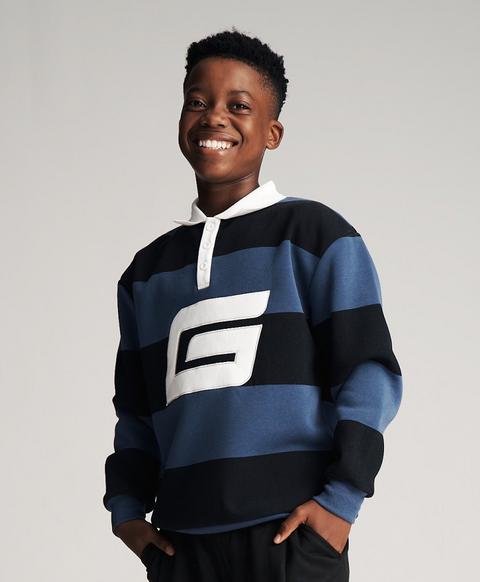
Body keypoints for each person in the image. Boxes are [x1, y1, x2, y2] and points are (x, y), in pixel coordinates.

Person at [102, 27, 403, 582]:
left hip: (289, 538)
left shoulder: (315, 236)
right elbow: (136, 410)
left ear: (272, 132)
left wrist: (341, 503)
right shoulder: (146, 273)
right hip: (182, 547)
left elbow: (368, 374)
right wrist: (126, 512)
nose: (214, 117)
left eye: (238, 106)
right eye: (198, 102)